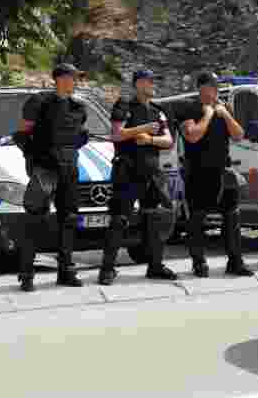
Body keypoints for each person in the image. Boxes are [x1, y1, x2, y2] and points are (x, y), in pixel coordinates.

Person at [13, 63, 91, 292]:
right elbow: (21, 135)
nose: (76, 82)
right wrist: (36, 160)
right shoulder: (39, 102)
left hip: (69, 168)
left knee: (69, 219)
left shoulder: (79, 107)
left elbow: (79, 136)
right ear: (61, 79)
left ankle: (66, 271)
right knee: (35, 219)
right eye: (73, 77)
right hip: (45, 169)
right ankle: (26, 274)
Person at [99, 69, 178, 285]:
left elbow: (168, 141)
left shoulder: (157, 110)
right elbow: (115, 134)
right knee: (119, 220)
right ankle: (107, 269)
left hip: (152, 172)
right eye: (150, 82)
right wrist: (142, 130)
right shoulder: (124, 105)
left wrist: (150, 140)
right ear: (139, 84)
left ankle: (155, 266)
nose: (153, 85)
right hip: (128, 170)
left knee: (154, 218)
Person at [178, 72, 253, 278]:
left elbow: (239, 135)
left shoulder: (224, 107)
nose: (216, 89)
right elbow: (192, 136)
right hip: (198, 172)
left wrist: (225, 115)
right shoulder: (188, 108)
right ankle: (199, 263)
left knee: (232, 217)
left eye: (217, 86)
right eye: (212, 86)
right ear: (202, 88)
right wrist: (209, 114)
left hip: (223, 171)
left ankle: (235, 261)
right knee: (197, 219)